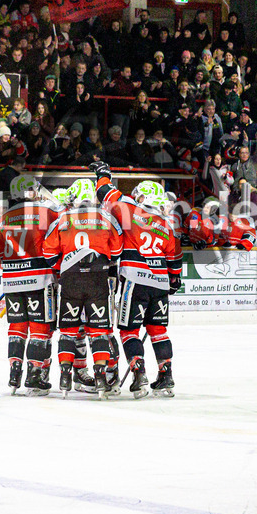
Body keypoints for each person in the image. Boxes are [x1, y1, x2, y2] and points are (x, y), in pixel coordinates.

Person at [91, 161, 181, 398]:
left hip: (135, 282)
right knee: (159, 330)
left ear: (142, 197)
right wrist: (174, 280)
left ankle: (139, 375)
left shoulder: (130, 211)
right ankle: (166, 375)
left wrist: (103, 174)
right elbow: (174, 257)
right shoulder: (166, 224)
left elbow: (104, 193)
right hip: (160, 283)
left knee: (129, 331)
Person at [41, 178, 124, 399]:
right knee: (99, 331)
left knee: (69, 330)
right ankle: (101, 376)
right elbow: (117, 250)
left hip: (70, 280)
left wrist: (65, 266)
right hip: (99, 279)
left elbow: (48, 252)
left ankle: (66, 377)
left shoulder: (63, 218)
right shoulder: (106, 217)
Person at [0, 174, 63, 395]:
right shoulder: (45, 211)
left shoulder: (3, 216)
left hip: (11, 280)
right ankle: (34, 375)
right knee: (40, 328)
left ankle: (14, 371)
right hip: (39, 279)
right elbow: (65, 228)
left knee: (16, 327)